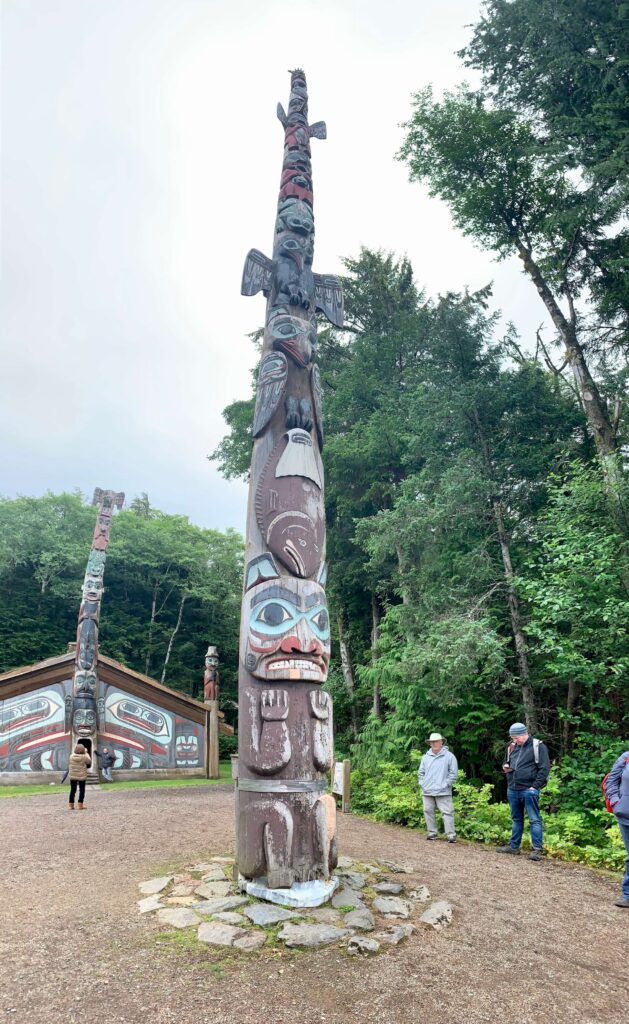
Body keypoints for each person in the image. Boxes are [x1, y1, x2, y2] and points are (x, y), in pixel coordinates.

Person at [497, 722, 550, 861]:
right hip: (512, 788)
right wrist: (506, 766)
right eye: (513, 738)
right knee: (516, 819)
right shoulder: (512, 747)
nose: (514, 741)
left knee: (534, 819)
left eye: (516, 738)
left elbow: (544, 768)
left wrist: (535, 787)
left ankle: (537, 850)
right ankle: (514, 847)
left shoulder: (538, 746)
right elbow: (506, 761)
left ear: (523, 734)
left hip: (529, 790)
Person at [417, 732, 458, 843]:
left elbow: (453, 774)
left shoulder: (449, 756)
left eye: (436, 741)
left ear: (441, 742)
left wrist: (446, 784)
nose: (434, 743)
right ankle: (432, 833)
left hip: (443, 791)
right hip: (427, 790)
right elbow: (420, 773)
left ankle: (451, 835)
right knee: (428, 811)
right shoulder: (425, 757)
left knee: (447, 812)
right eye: (432, 742)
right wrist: (422, 783)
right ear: (430, 744)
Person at [605, 750, 629, 908]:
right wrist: (615, 801)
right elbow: (611, 780)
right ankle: (628, 895)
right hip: (626, 815)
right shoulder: (626, 757)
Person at [68, 743, 91, 810]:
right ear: (83, 750)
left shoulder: (71, 756)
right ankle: (80, 805)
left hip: (73, 775)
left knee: (72, 790)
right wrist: (86, 753)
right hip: (82, 775)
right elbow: (89, 762)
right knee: (82, 790)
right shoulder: (84, 757)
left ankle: (71, 805)